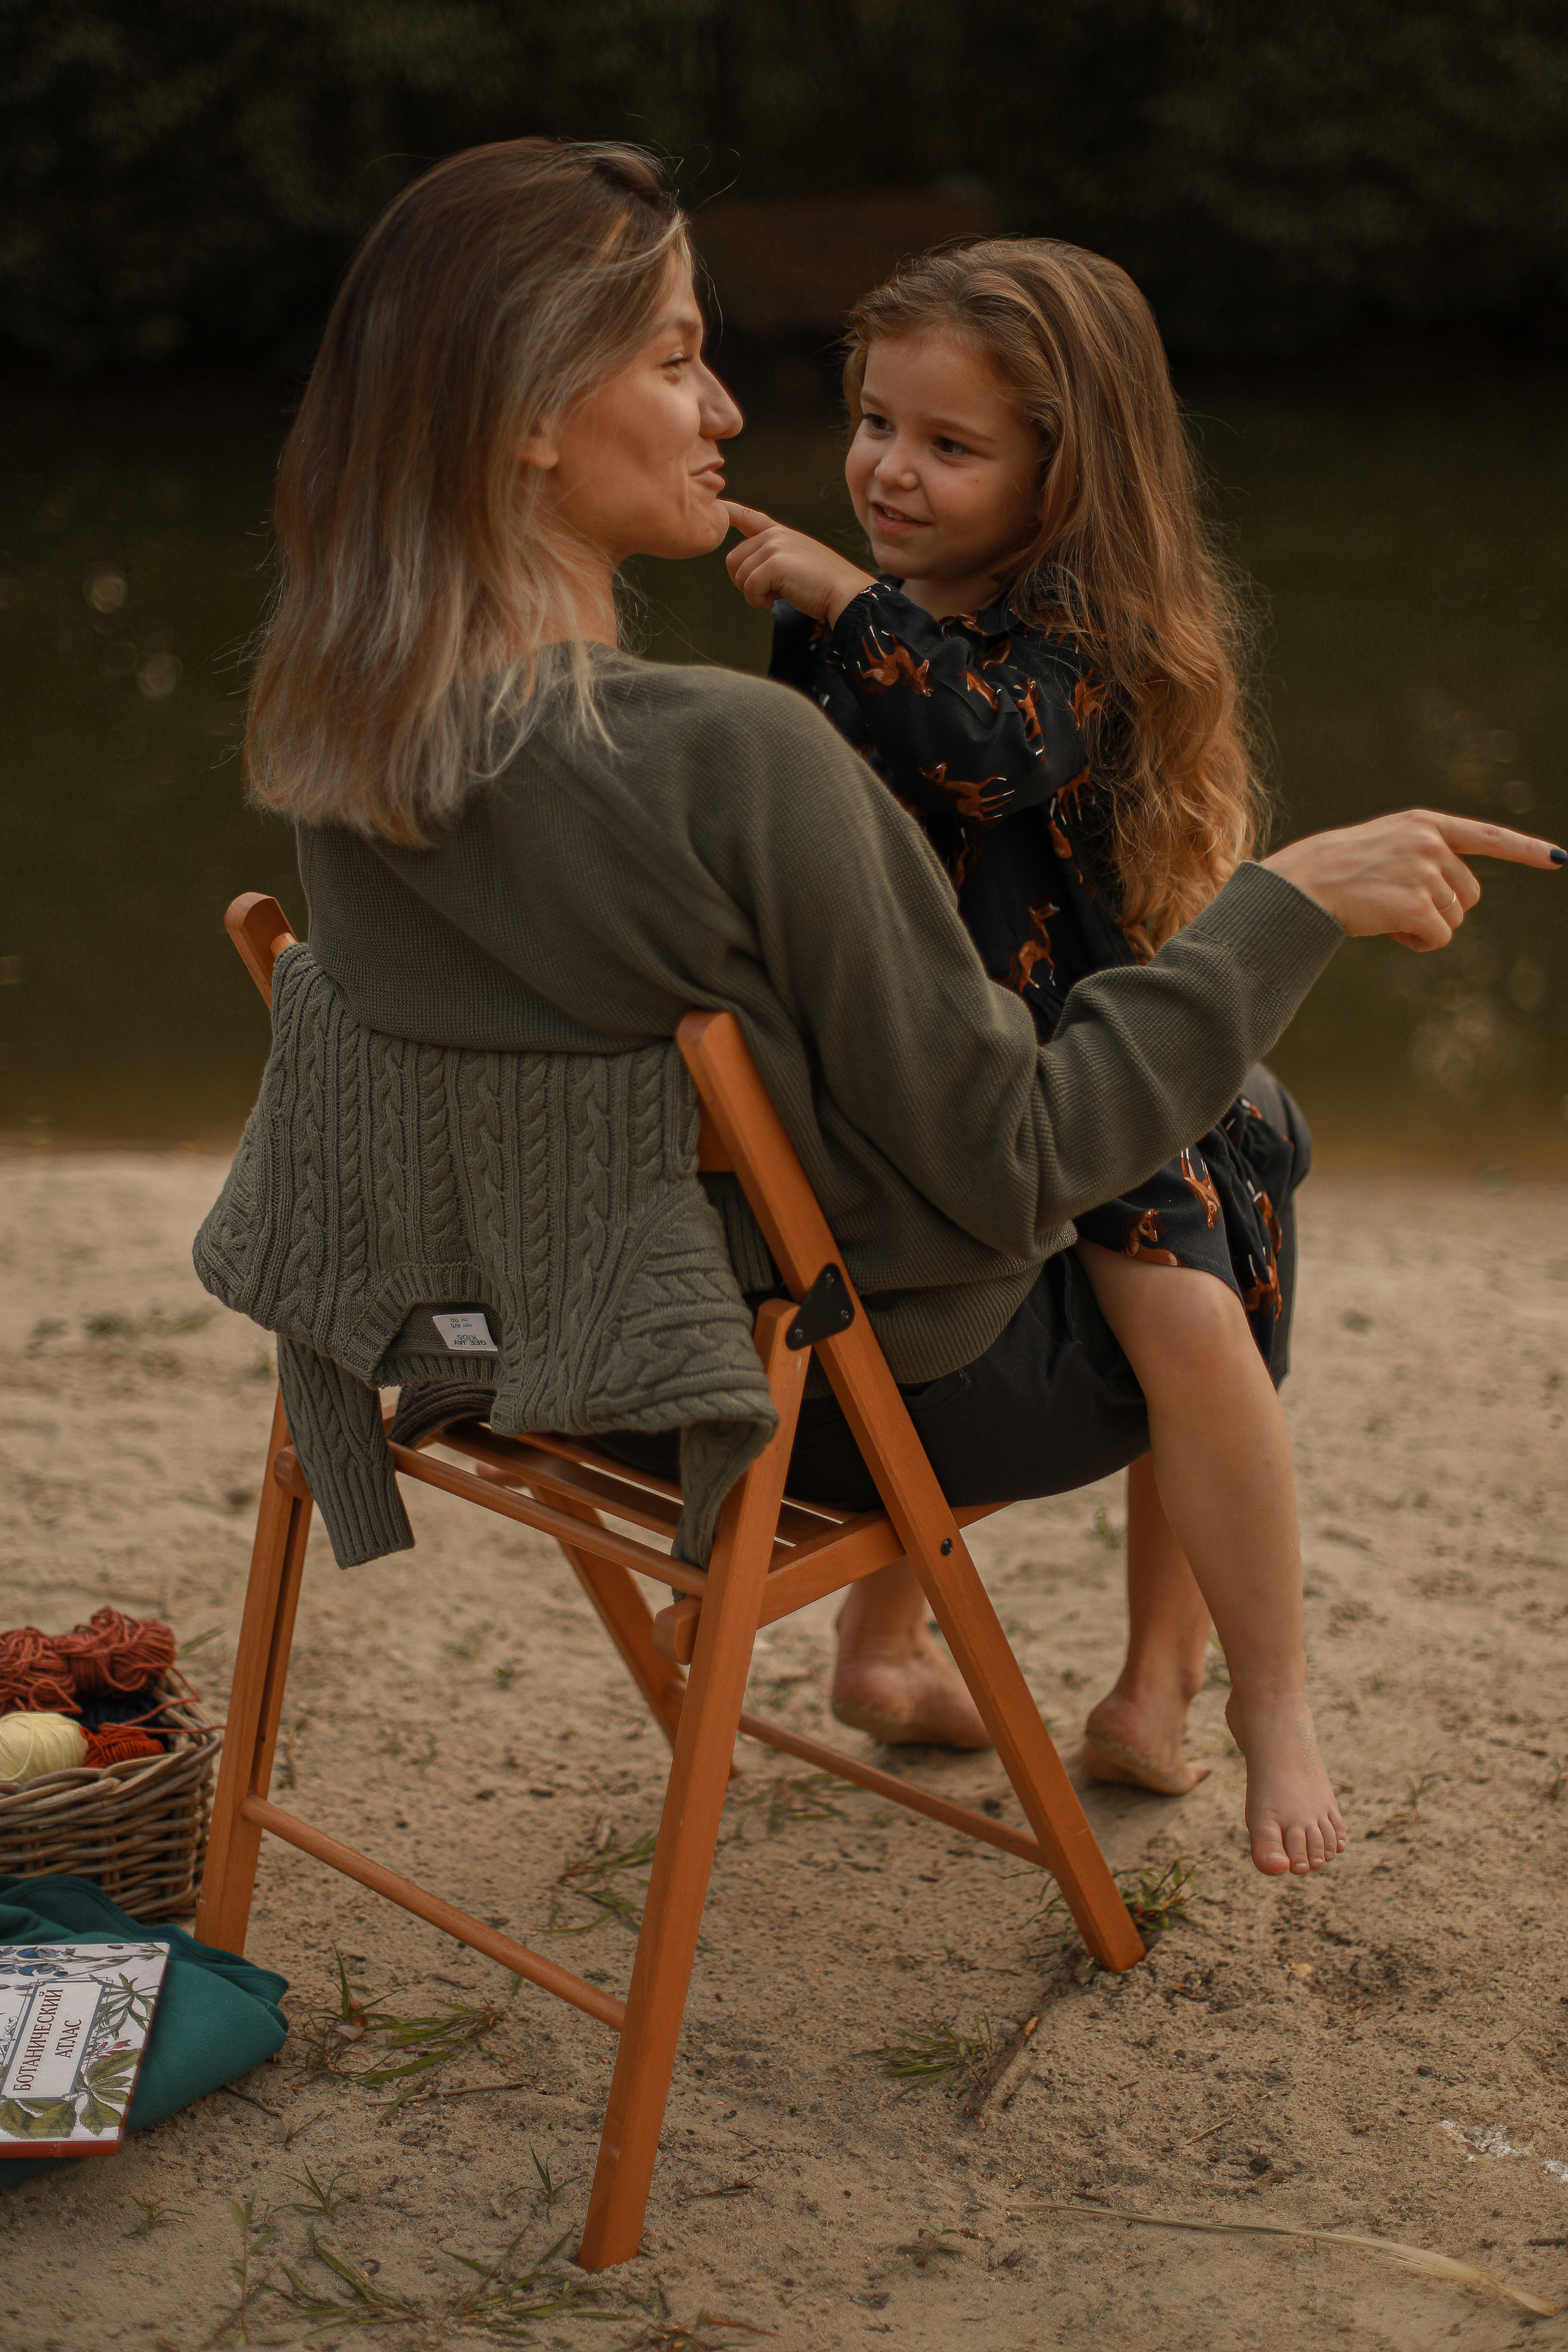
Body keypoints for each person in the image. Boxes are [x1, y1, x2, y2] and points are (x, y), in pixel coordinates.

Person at [243, 138, 1562, 1879]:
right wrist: (1290, 904)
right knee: (1244, 1137)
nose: (726, 411)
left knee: (1222, 1116)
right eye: (672, 356)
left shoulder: (337, 723)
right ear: (526, 418)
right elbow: (1017, 1157)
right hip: (827, 1394)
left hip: (508, 1350)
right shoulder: (736, 755)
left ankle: (1142, 1669)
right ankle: (1205, 1679)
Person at [721, 240, 1319, 1868]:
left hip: (1080, 1073)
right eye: (871, 421)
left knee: (1198, 1316)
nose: (886, 471)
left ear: (1069, 469)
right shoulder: (858, 626)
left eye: (947, 444)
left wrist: (845, 605)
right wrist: (839, 623)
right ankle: (888, 1649)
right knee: (947, 1285)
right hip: (921, 1073)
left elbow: (993, 747)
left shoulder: (1090, 631)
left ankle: (1237, 1699)